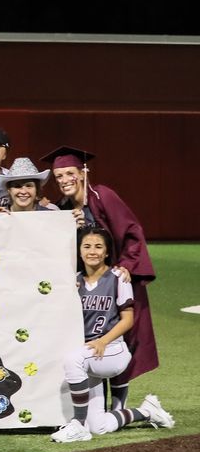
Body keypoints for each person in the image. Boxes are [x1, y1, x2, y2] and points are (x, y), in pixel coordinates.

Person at [41, 145, 158, 407]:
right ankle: (96, 404)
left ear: (82, 172)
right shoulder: (63, 207)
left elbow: (131, 231)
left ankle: (119, 406)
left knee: (122, 339)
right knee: (91, 338)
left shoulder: (103, 195)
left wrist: (127, 265)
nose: (64, 181)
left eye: (69, 173)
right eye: (58, 177)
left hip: (117, 281)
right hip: (88, 286)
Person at [51, 227, 174, 443]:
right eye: (87, 246)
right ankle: (146, 412)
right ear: (79, 251)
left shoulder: (118, 277)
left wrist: (103, 341)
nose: (92, 251)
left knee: (73, 359)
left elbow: (127, 319)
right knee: (98, 427)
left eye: (99, 247)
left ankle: (78, 426)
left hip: (112, 350)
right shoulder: (74, 280)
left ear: (107, 252)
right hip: (89, 356)